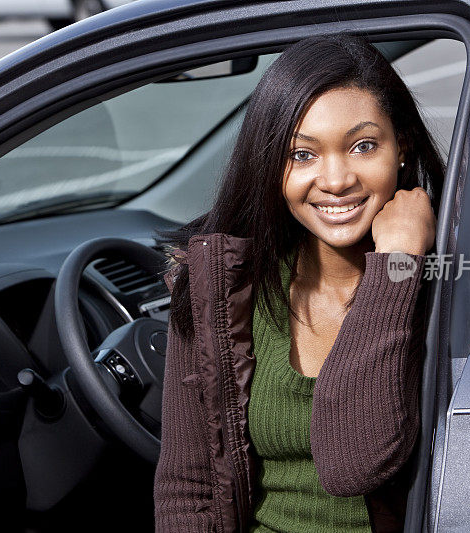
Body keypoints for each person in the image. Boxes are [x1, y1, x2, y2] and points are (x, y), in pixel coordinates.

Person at [152, 32, 443, 533]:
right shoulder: (220, 288)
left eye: (363, 146)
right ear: (271, 165)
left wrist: (395, 267)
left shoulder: (440, 282)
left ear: (402, 150)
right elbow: (188, 491)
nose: (334, 180)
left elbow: (352, 462)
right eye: (303, 155)